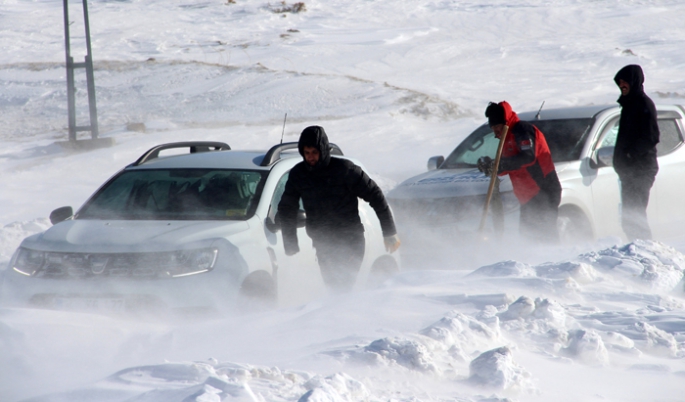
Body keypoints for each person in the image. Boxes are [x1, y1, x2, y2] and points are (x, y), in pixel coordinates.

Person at [277, 126, 400, 292]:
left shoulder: (345, 170)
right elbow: (286, 207)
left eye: (314, 152)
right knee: (333, 289)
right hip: (323, 243)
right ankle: (343, 315)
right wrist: (290, 241)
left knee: (342, 286)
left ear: (322, 149)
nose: (310, 157)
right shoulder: (299, 174)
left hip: (351, 241)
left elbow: (376, 196)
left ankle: (349, 315)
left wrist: (389, 232)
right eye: (306, 153)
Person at [478, 101, 562, 242]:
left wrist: (501, 164)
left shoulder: (522, 130)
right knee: (528, 237)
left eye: (497, 127)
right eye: (493, 129)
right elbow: (509, 166)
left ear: (504, 122)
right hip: (527, 197)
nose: (495, 133)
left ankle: (555, 261)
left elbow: (528, 157)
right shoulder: (507, 137)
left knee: (545, 237)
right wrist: (491, 166)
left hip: (543, 190)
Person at [612, 64, 660, 241]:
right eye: (620, 82)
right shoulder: (629, 105)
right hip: (629, 170)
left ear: (634, 81)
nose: (622, 84)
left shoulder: (643, 104)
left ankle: (645, 251)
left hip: (641, 168)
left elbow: (652, 136)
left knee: (635, 213)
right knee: (628, 216)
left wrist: (630, 155)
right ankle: (636, 249)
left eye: (625, 81)